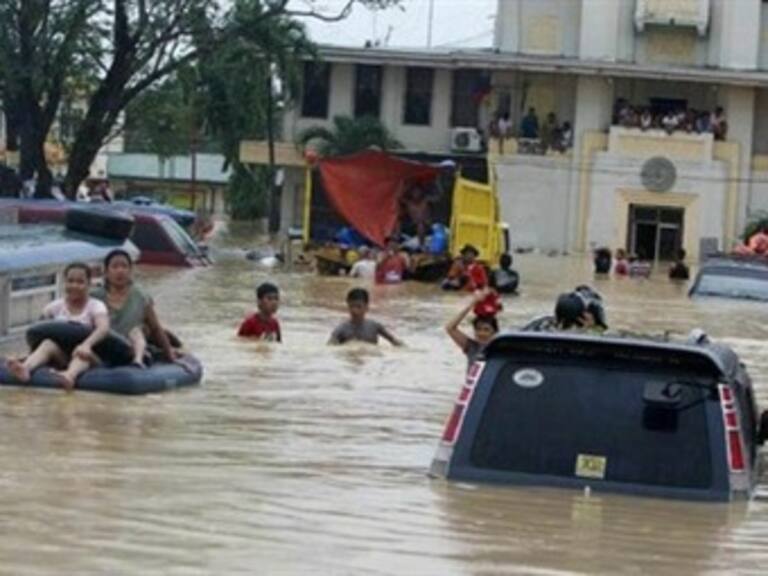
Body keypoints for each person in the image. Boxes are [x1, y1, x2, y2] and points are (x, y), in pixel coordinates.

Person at [5, 262, 109, 390]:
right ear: (65, 283)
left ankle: (69, 376)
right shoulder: (54, 307)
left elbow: (103, 328)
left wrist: (87, 345)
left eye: (80, 282)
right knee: (48, 344)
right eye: (70, 281)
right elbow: (38, 333)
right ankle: (25, 368)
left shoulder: (96, 306)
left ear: (88, 284)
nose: (74, 286)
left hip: (90, 356)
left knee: (81, 354)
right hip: (62, 356)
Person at [91, 249, 177, 366]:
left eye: (124, 266)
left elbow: (156, 328)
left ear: (130, 270)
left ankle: (142, 358)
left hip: (131, 347)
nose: (120, 271)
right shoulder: (94, 297)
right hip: (105, 347)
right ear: (106, 272)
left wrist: (170, 355)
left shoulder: (141, 296)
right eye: (115, 267)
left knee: (141, 332)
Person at [328, 288, 403, 346]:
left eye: (359, 306)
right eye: (351, 306)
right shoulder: (341, 329)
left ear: (367, 308)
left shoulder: (375, 327)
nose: (354, 310)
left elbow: (395, 342)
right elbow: (329, 348)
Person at [445, 290, 500, 368]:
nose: (481, 333)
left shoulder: (499, 351)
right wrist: (472, 304)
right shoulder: (472, 347)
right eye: (478, 329)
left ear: (494, 332)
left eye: (486, 329)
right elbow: (450, 328)